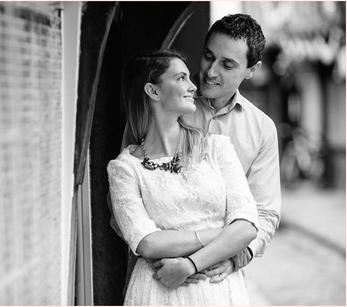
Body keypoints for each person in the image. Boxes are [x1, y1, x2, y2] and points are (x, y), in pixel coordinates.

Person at [111, 13, 281, 289]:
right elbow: (123, 197)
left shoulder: (261, 129)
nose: (211, 71)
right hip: (158, 272)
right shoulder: (165, 107)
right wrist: (153, 248)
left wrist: (236, 256)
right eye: (208, 56)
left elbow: (263, 214)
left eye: (227, 64)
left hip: (217, 276)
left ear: (252, 69)